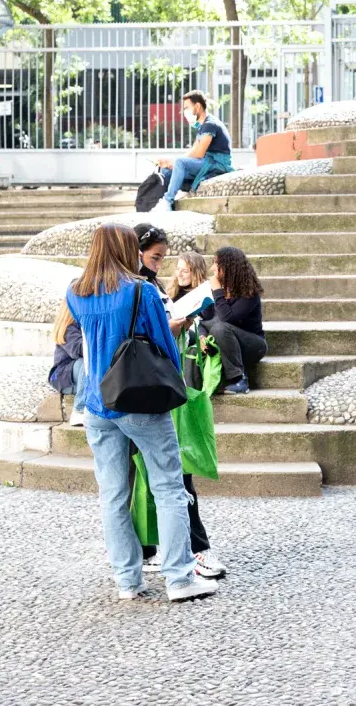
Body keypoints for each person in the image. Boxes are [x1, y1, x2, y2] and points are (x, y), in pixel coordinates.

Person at [65, 224, 217, 602]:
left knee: (113, 494)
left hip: (98, 403)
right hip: (139, 400)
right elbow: (165, 346)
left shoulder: (75, 292)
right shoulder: (141, 291)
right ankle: (180, 578)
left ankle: (128, 582)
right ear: (127, 249)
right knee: (168, 486)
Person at [134, 225, 226, 580]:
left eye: (162, 258)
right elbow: (143, 335)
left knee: (149, 478)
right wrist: (172, 327)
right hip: (146, 388)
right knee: (176, 477)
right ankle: (193, 555)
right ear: (135, 251)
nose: (160, 264)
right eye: (155, 257)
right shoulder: (136, 288)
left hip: (134, 390)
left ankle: (141, 557)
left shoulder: (134, 285)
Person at [203, 246, 268, 395]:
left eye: (216, 264)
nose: (212, 268)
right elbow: (205, 319)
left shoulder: (249, 292)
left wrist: (217, 291)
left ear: (229, 267)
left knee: (220, 328)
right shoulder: (217, 290)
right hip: (227, 345)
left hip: (252, 345)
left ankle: (239, 379)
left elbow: (227, 319)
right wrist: (201, 335)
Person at [154, 90, 234, 211]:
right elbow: (193, 150)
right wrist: (172, 163)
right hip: (207, 162)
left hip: (217, 164)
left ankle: (167, 200)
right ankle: (171, 199)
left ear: (197, 106)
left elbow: (199, 153)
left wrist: (176, 162)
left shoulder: (210, 124)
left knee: (180, 163)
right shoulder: (202, 126)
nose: (184, 112)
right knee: (167, 171)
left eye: (187, 108)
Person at [48, 300, 86, 426]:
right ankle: (79, 410)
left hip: (78, 381)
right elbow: (78, 350)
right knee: (87, 363)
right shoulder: (69, 327)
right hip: (62, 376)